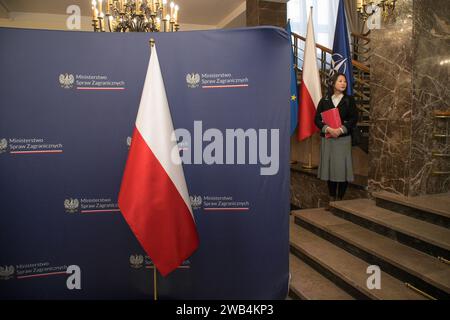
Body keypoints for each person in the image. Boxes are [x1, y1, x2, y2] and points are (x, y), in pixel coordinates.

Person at [314, 73, 358, 209]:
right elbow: (316, 119)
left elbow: (354, 119)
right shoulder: (325, 100)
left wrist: (341, 129)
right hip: (328, 139)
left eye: (345, 81)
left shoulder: (349, 100)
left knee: (342, 170)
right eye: (340, 81)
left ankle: (340, 200)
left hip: (343, 139)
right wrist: (327, 129)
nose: (343, 83)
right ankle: (332, 199)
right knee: (330, 170)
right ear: (333, 83)